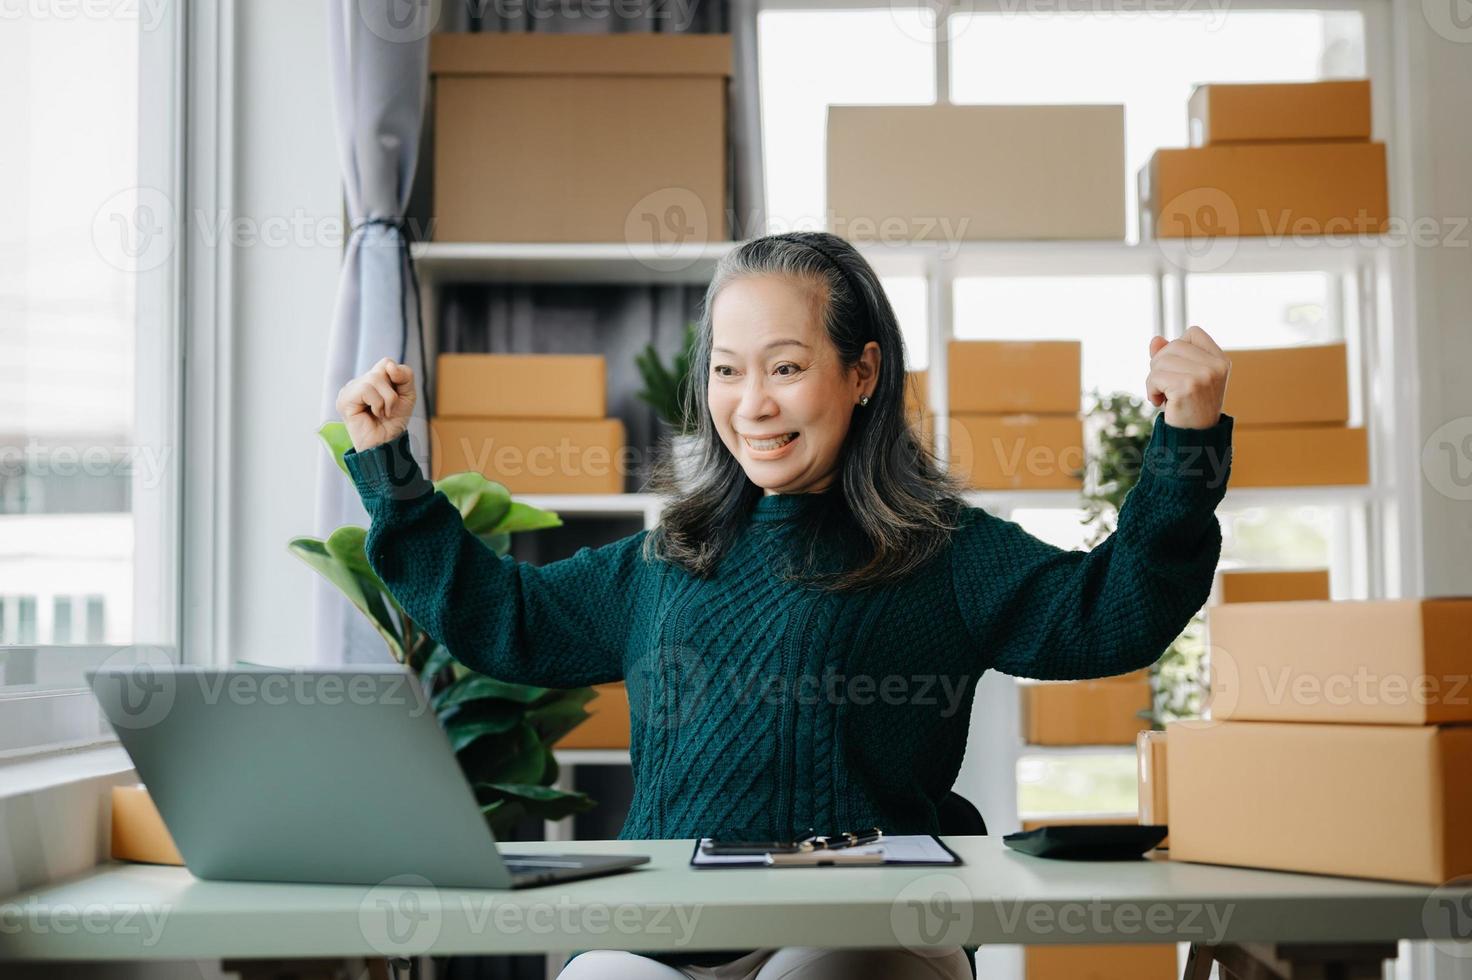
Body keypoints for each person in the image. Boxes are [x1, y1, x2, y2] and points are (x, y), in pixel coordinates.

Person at [336, 231, 1233, 979]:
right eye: (728, 370)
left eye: (787, 366)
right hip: (669, 937)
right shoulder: (667, 558)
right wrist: (388, 465)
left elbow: (1111, 611)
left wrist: (1185, 445)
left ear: (863, 371)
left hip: (872, 926)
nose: (752, 403)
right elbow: (508, 621)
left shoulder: (943, 549)